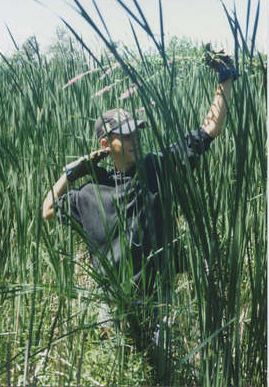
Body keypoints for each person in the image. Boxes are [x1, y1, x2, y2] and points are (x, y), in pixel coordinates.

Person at [42, 46, 238, 342]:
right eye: (127, 135)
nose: (136, 139)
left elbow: (211, 128)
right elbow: (47, 209)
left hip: (156, 299)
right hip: (109, 305)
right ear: (106, 144)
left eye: (137, 132)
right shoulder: (89, 192)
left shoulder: (155, 167)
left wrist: (224, 76)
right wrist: (73, 172)